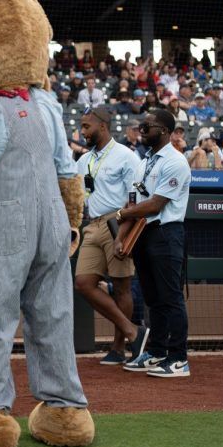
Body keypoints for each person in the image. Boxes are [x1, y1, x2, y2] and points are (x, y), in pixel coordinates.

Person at [117, 108, 193, 378]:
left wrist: (123, 214)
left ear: (163, 130)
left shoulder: (176, 161)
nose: (141, 130)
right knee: (152, 297)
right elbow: (133, 201)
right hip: (143, 234)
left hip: (167, 232)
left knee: (171, 297)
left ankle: (178, 358)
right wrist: (120, 237)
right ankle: (158, 352)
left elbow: (156, 204)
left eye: (147, 126)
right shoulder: (144, 161)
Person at [73, 108, 147, 366]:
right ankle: (133, 331)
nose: (83, 132)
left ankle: (118, 348)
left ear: (102, 126)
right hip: (91, 224)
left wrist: (123, 234)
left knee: (122, 286)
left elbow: (134, 198)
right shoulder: (83, 161)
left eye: (86, 127)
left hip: (119, 222)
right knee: (83, 282)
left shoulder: (127, 156)